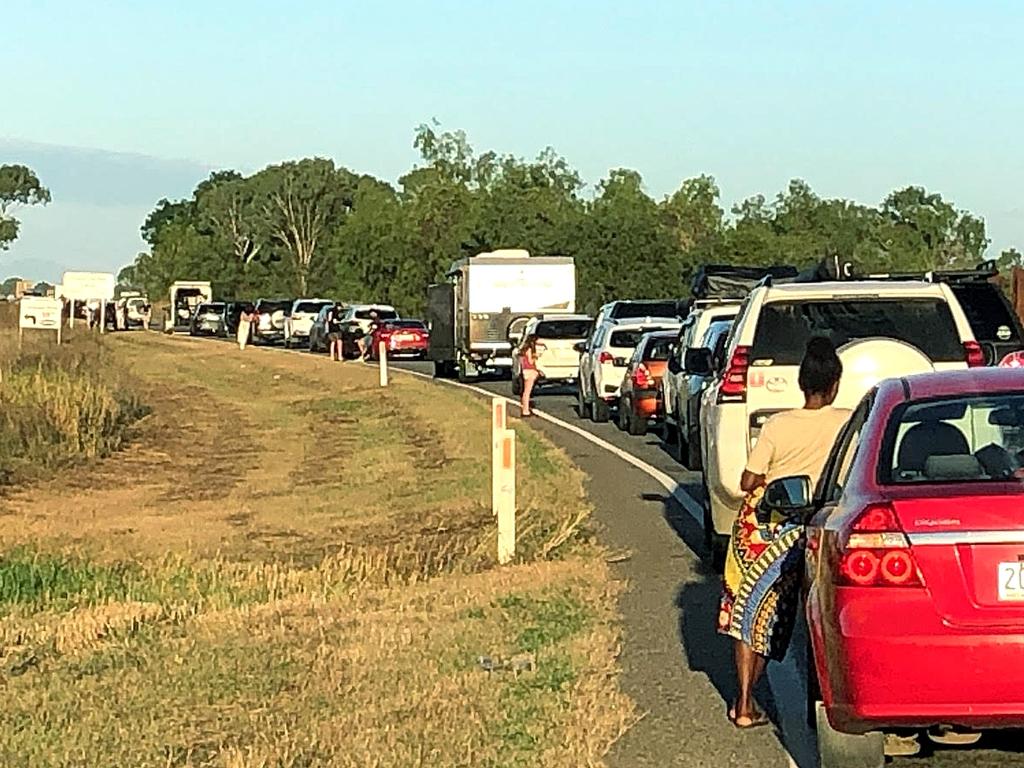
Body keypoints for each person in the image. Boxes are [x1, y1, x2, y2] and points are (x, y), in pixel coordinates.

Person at [718, 336, 849, 729]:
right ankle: (797, 704)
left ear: (801, 383)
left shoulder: (778, 424)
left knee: (746, 612)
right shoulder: (847, 421)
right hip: (812, 526)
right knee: (789, 616)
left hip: (765, 527)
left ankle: (743, 702)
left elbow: (748, 480)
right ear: (835, 385)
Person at [518, 334, 544, 417]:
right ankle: (525, 411)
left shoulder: (524, 350)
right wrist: (536, 357)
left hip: (526, 371)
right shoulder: (529, 350)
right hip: (530, 371)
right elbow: (531, 362)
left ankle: (525, 409)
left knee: (526, 391)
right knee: (527, 392)